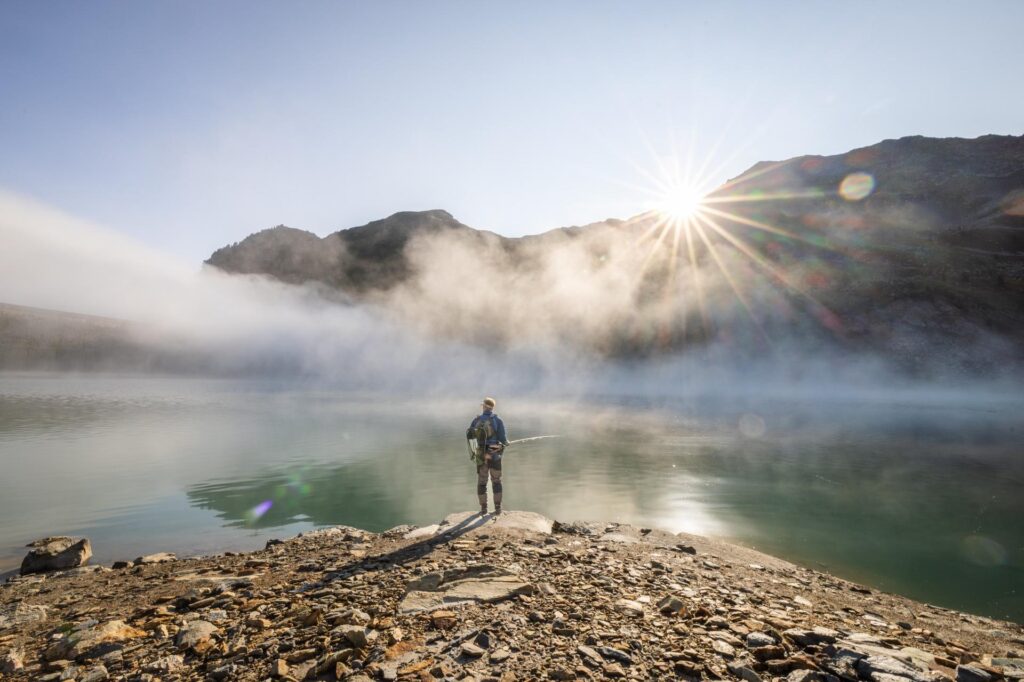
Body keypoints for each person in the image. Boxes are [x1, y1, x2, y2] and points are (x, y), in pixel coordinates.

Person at [467, 397, 509, 515]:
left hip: (481, 456)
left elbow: (471, 438)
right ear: (492, 408)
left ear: (484, 407)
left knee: (482, 482)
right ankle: (497, 509)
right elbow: (503, 440)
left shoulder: (476, 420)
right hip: (494, 455)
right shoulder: (497, 421)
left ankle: (484, 509)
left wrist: (478, 452)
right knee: (496, 481)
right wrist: (506, 443)